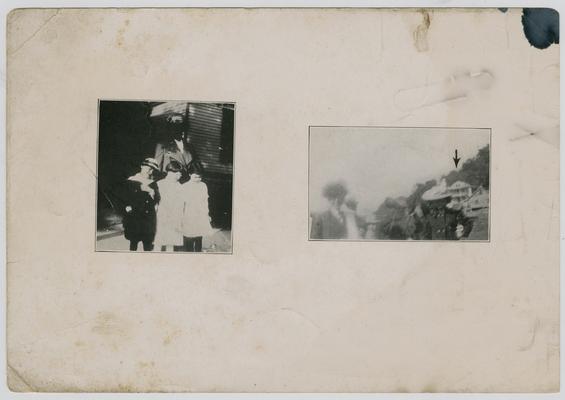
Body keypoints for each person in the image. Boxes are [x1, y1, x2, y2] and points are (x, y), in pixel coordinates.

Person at [122, 158, 161, 251]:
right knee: (133, 242)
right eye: (147, 168)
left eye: (152, 169)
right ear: (142, 166)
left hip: (148, 218)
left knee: (147, 242)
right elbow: (124, 197)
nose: (149, 171)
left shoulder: (153, 183)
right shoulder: (132, 180)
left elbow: (157, 199)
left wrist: (151, 191)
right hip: (135, 216)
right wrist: (127, 207)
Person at [154, 113, 198, 180]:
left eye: (180, 126)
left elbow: (196, 168)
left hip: (187, 185)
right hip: (170, 184)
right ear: (169, 128)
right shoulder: (163, 146)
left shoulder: (190, 147)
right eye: (174, 126)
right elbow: (157, 168)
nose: (177, 130)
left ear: (184, 128)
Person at [181, 166, 214, 252]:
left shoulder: (203, 186)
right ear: (190, 174)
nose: (197, 179)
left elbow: (205, 201)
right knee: (189, 237)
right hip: (188, 213)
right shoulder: (184, 186)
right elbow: (181, 204)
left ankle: (198, 254)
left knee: (199, 236)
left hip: (200, 214)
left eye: (200, 177)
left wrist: (207, 214)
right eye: (195, 177)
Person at [154, 161, 185, 251]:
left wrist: (180, 217)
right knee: (158, 240)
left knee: (171, 241)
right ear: (171, 173)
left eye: (180, 173)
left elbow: (181, 203)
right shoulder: (160, 184)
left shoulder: (180, 187)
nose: (180, 175)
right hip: (162, 215)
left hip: (175, 216)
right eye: (178, 173)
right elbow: (155, 201)